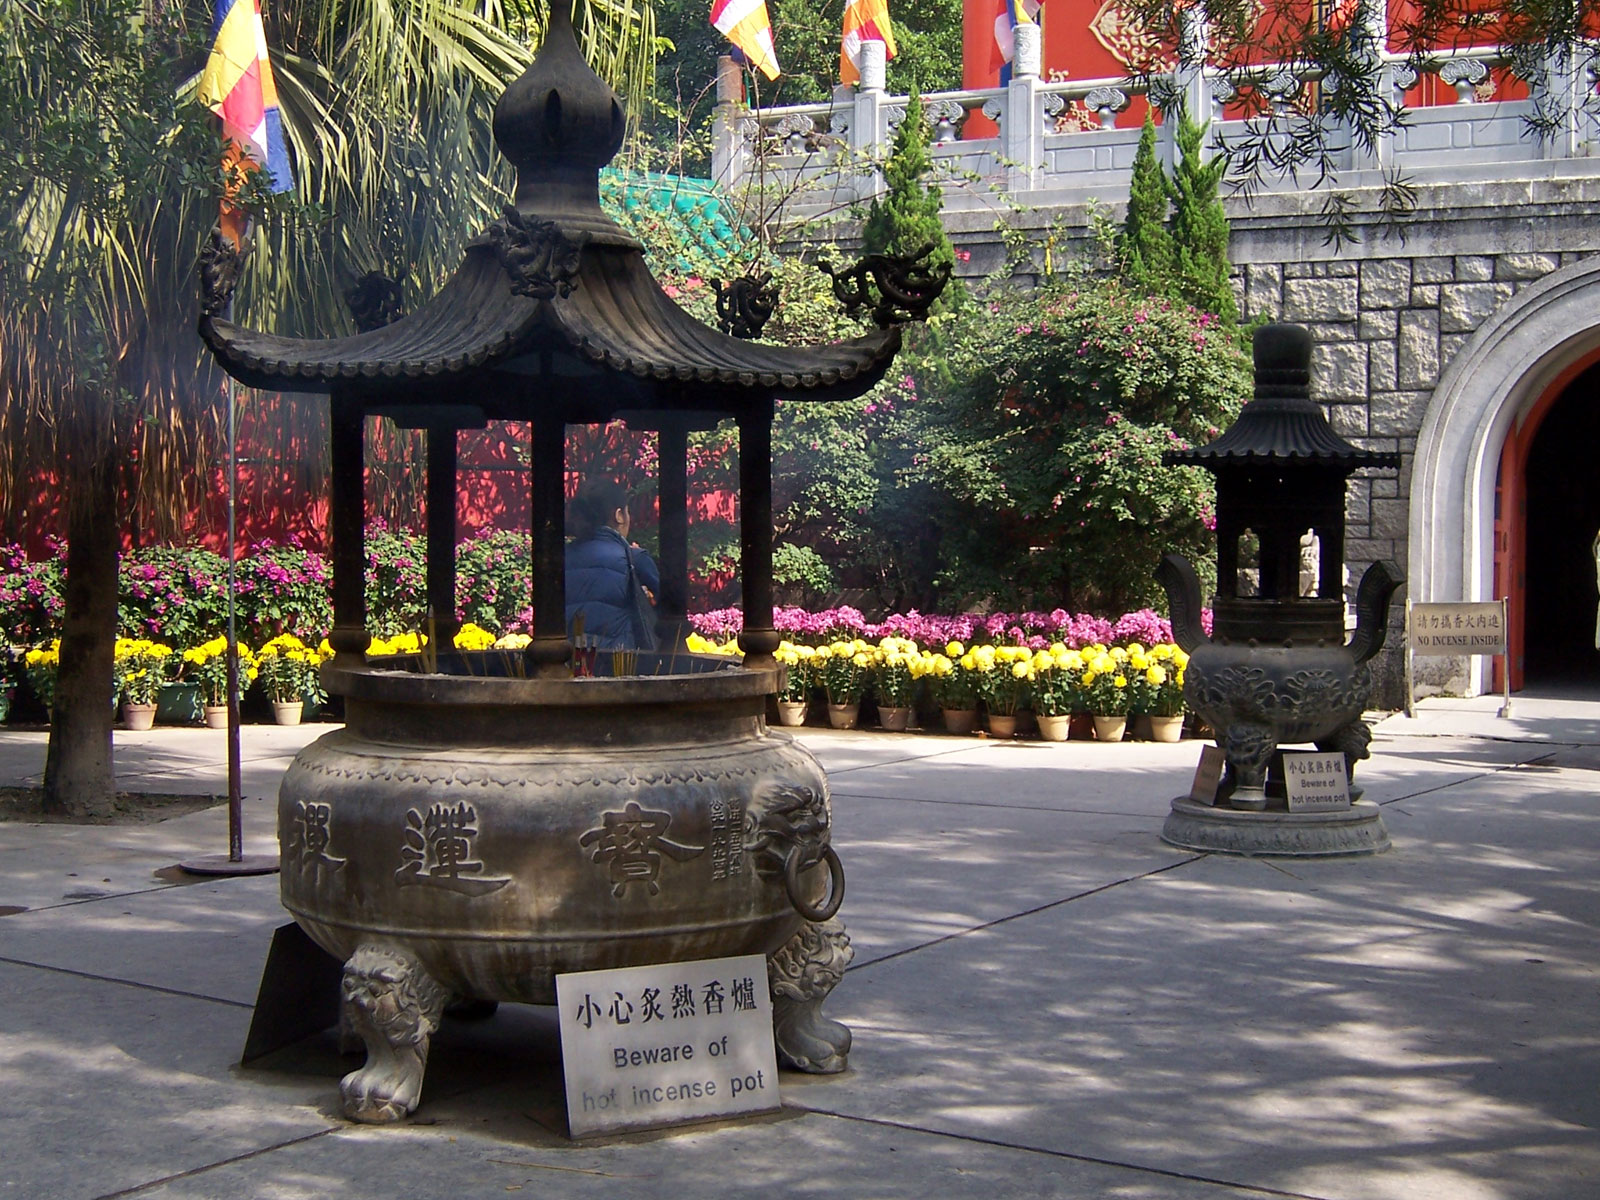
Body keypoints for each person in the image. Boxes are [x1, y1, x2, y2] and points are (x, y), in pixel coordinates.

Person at [564, 478, 661, 650]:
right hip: (620, 664)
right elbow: (671, 609)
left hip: (570, 663)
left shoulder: (563, 556)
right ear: (619, 515)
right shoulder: (634, 558)